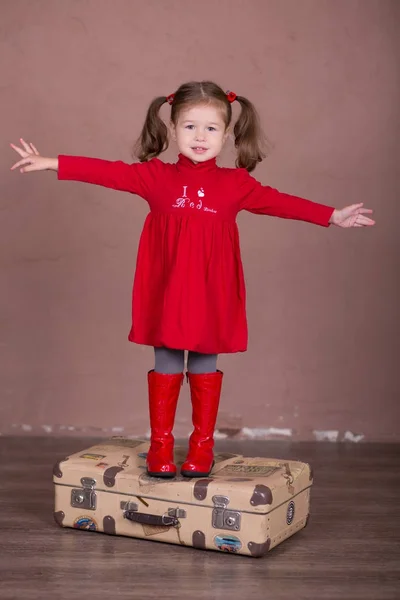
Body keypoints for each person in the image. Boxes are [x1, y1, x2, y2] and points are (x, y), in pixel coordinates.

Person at [10, 80, 375, 479]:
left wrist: (330, 215)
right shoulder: (155, 178)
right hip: (167, 289)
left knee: (203, 361)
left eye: (211, 128)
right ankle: (161, 445)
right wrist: (52, 162)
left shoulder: (236, 185)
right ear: (171, 129)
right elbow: (107, 172)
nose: (200, 137)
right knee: (166, 357)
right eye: (189, 127)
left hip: (211, 291)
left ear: (227, 133)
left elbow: (280, 201)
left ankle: (202, 446)